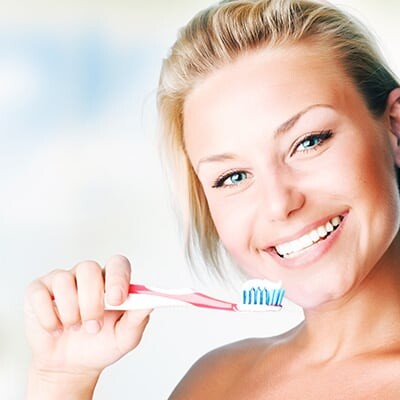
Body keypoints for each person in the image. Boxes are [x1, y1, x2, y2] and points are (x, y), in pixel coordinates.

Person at [25, 0, 400, 398]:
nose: (279, 204)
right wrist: (61, 380)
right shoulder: (215, 385)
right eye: (233, 177)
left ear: (394, 126)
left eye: (308, 142)